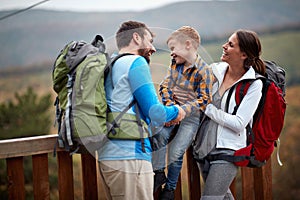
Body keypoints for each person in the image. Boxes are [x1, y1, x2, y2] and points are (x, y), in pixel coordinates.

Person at [97, 21, 186, 200]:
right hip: (130, 158)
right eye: (150, 40)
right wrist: (178, 111)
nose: (152, 48)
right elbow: (156, 112)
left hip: (109, 157)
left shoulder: (112, 64)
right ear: (136, 37)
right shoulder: (135, 62)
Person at [197, 29, 266, 199]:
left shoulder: (254, 84)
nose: (224, 46)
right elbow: (194, 92)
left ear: (243, 54)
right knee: (223, 197)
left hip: (228, 151)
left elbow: (239, 123)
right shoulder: (215, 70)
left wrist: (207, 108)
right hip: (203, 148)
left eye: (230, 44)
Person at [151, 26, 214, 200]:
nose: (171, 53)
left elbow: (204, 99)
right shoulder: (175, 65)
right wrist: (172, 107)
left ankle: (170, 189)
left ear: (188, 44)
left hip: (190, 118)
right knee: (158, 134)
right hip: (173, 111)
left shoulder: (204, 71)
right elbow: (164, 86)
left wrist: (182, 111)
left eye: (173, 48)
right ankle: (158, 172)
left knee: (176, 151)